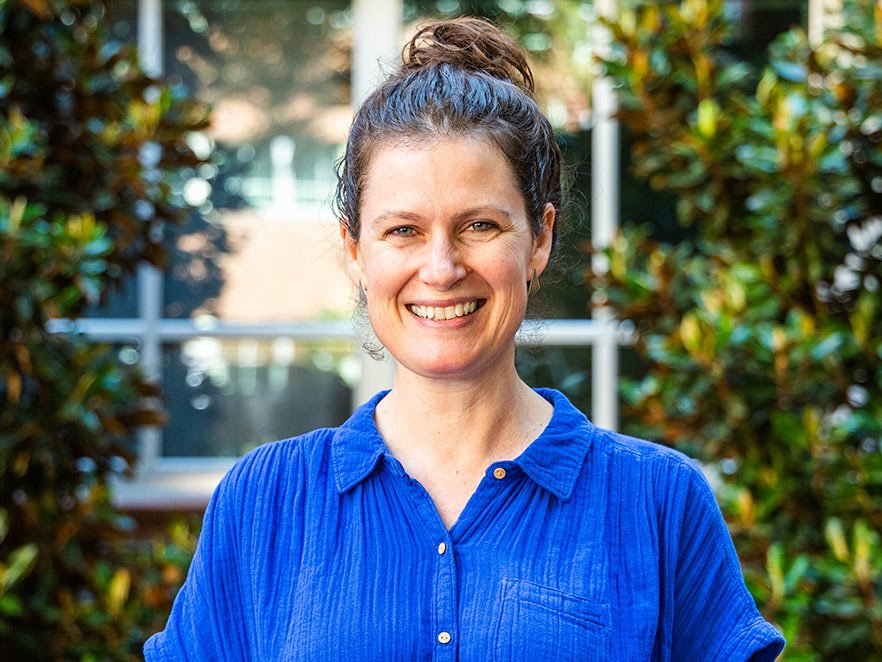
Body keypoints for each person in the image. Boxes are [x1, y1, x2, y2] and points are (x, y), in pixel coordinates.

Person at [145, 17, 785, 660]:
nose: (442, 268)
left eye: (479, 225)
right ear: (354, 251)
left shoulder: (657, 501)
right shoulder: (265, 502)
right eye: (402, 231)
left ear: (539, 240)